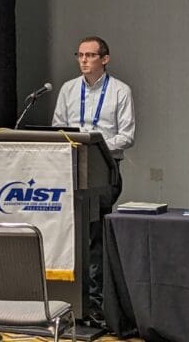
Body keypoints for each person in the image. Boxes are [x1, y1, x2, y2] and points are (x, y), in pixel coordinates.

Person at [52, 35, 135, 326]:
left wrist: (94, 145)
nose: (83, 60)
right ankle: (68, 302)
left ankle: (97, 305)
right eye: (80, 55)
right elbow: (57, 127)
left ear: (105, 59)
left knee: (95, 238)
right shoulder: (68, 89)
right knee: (69, 236)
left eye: (90, 55)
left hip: (103, 172)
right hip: (69, 173)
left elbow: (127, 136)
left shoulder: (120, 91)